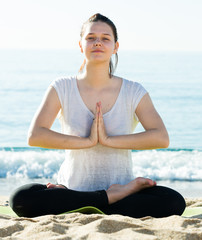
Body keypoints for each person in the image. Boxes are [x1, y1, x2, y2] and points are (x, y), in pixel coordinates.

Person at [10, 13, 186, 218]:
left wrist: (108, 140)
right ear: (80, 44)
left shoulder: (133, 91)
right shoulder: (62, 87)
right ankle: (107, 199)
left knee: (173, 201)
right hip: (72, 190)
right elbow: (35, 136)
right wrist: (88, 141)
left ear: (115, 47)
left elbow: (161, 137)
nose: (97, 43)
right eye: (91, 38)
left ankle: (105, 198)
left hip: (120, 192)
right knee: (20, 198)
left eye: (105, 38)